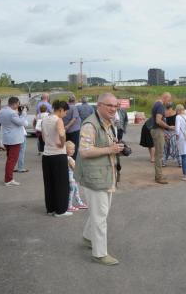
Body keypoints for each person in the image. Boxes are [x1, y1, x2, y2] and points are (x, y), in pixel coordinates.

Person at [75, 93, 125, 266]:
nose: (113, 108)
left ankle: (88, 238)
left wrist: (117, 148)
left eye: (115, 105)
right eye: (109, 105)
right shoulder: (90, 124)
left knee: (99, 212)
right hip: (94, 176)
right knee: (100, 216)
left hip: (105, 174)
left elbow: (106, 145)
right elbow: (84, 151)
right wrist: (110, 149)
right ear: (99, 105)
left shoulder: (108, 122)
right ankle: (99, 253)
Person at [41, 100, 71, 217]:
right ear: (61, 110)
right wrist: (63, 143)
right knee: (61, 183)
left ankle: (51, 208)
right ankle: (60, 210)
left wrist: (50, 142)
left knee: (49, 183)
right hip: (58, 155)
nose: (66, 114)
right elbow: (62, 134)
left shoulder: (45, 119)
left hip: (47, 155)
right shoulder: (58, 120)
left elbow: (43, 137)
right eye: (65, 111)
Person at [0, 97, 28, 186]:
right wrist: (24, 113)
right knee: (12, 160)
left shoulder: (2, 111)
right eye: (18, 104)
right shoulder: (12, 113)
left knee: (9, 159)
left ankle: (8, 178)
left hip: (7, 138)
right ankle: (8, 179)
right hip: (14, 139)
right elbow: (23, 123)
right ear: (15, 104)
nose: (18, 106)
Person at [150, 92, 174, 184]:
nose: (169, 102)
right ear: (165, 97)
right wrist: (168, 127)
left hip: (157, 130)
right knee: (159, 155)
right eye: (169, 99)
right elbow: (158, 120)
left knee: (158, 154)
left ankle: (159, 175)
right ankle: (159, 177)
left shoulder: (156, 104)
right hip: (157, 130)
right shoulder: (160, 106)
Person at [65, 141, 88, 212]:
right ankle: (69, 206)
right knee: (72, 192)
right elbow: (75, 168)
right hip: (72, 179)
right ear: (66, 150)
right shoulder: (69, 159)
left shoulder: (65, 158)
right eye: (71, 149)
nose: (73, 151)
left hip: (71, 179)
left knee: (76, 191)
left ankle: (80, 203)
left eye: (74, 149)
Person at [14, 104, 29, 173]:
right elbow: (26, 124)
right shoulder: (22, 117)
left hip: (15, 135)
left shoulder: (14, 115)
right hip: (22, 135)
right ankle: (20, 167)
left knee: (15, 152)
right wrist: (24, 114)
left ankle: (14, 166)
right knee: (21, 152)